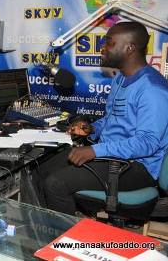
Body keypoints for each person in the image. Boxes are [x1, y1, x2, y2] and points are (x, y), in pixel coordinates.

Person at [43, 21, 168, 216]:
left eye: (109, 43)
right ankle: (43, 231)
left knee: (55, 183)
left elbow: (147, 143)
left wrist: (95, 150)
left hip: (137, 169)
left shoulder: (153, 90)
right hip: (111, 158)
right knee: (39, 167)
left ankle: (64, 240)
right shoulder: (120, 78)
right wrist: (93, 129)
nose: (103, 49)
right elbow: (111, 119)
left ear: (130, 48)